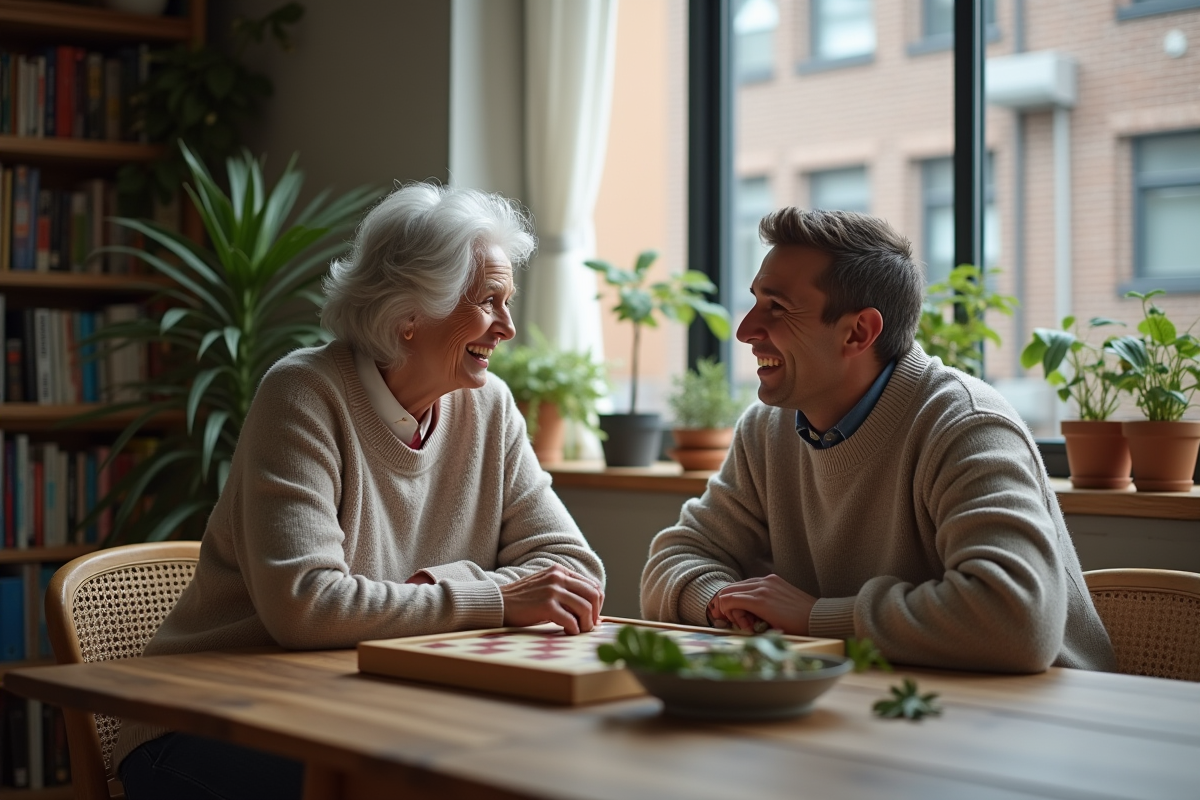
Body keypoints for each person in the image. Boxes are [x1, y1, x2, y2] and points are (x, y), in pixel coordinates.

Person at [115, 184, 606, 800]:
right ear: (409, 316)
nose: (507, 327)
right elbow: (308, 607)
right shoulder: (303, 394)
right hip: (210, 723)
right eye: (489, 302)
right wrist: (495, 598)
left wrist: (435, 590)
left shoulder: (490, 407)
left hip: (359, 709)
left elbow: (574, 571)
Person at [641, 207, 1115, 674]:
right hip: (880, 702)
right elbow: (673, 561)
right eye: (755, 301)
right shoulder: (768, 429)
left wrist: (813, 618)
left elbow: (1017, 621)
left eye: (777, 308)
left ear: (858, 332)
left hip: (1043, 720)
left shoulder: (967, 424)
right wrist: (722, 601)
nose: (745, 330)